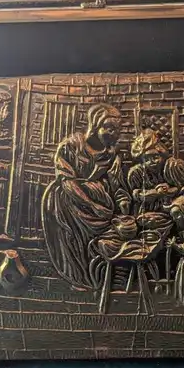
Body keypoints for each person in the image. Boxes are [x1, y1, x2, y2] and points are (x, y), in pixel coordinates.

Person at [42, 103, 130, 288]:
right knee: (75, 241)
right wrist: (91, 204)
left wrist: (123, 205)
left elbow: (117, 185)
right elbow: (67, 181)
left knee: (109, 239)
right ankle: (78, 278)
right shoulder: (71, 146)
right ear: (96, 125)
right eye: (109, 128)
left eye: (117, 130)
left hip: (101, 207)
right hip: (70, 203)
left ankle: (98, 278)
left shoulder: (111, 154)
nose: (114, 134)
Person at [127, 129, 184, 218]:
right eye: (147, 159)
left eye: (155, 157)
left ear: (162, 155)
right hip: (145, 210)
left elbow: (180, 188)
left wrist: (167, 190)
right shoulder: (136, 172)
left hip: (169, 207)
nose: (152, 162)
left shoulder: (170, 167)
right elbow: (135, 193)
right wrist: (152, 193)